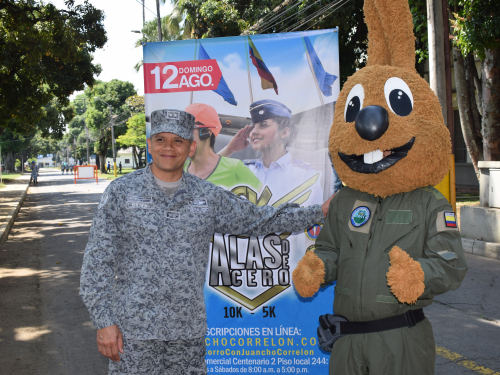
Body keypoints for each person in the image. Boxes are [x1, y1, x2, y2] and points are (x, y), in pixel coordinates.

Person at [80, 109, 334, 375]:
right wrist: (104, 321)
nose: (169, 147)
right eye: (161, 140)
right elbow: (97, 265)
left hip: (186, 335)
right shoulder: (121, 193)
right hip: (133, 334)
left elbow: (261, 220)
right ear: (149, 144)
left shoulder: (207, 197)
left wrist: (319, 212)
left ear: (190, 147)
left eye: (178, 141)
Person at [219, 99, 341, 206]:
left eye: (263, 125)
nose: (253, 132)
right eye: (252, 126)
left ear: (284, 132)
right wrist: (230, 149)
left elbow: (313, 219)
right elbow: (201, 180)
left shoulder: (306, 174)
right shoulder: (244, 169)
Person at [184, 103, 262, 191]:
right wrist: (229, 149)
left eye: (187, 129)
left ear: (206, 133)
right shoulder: (179, 170)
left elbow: (269, 201)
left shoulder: (235, 169)